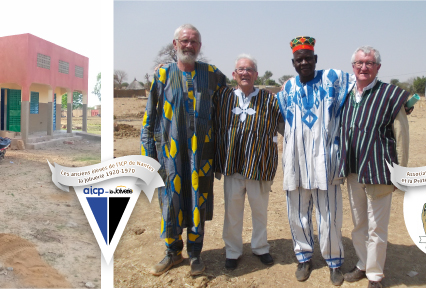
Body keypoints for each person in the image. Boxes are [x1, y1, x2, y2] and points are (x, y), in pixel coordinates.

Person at [140, 23, 227, 276]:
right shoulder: (162, 75)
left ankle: (196, 254)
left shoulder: (213, 75)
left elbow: (227, 107)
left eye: (194, 42)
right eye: (185, 41)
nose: (189, 45)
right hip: (170, 157)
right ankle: (172, 253)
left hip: (202, 157)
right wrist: (148, 158)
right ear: (175, 44)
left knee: (198, 202)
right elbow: (149, 120)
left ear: (200, 47)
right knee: (170, 203)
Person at [276, 36, 353, 285]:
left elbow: (362, 80)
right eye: (299, 59)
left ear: (316, 59)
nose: (304, 62)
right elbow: (282, 120)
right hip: (296, 163)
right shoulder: (287, 88)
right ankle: (304, 257)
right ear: (293, 62)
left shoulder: (332, 78)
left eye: (309, 58)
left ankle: (334, 262)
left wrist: (402, 101)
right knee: (297, 214)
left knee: (329, 215)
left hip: (325, 162)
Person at [339, 46, 416, 288]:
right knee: (359, 224)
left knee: (377, 228)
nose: (364, 67)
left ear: (378, 67)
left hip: (380, 173)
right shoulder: (347, 94)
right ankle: (363, 263)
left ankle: (375, 275)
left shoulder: (392, 95)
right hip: (353, 172)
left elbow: (402, 137)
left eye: (369, 63)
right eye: (360, 63)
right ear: (353, 67)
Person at [213, 54, 282, 270]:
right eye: (241, 69)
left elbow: (285, 123)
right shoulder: (222, 96)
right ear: (234, 74)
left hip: (259, 165)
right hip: (233, 165)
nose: (245, 73)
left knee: (259, 210)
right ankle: (232, 251)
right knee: (232, 212)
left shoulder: (270, 99)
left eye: (249, 69)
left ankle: (260, 247)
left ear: (256, 74)